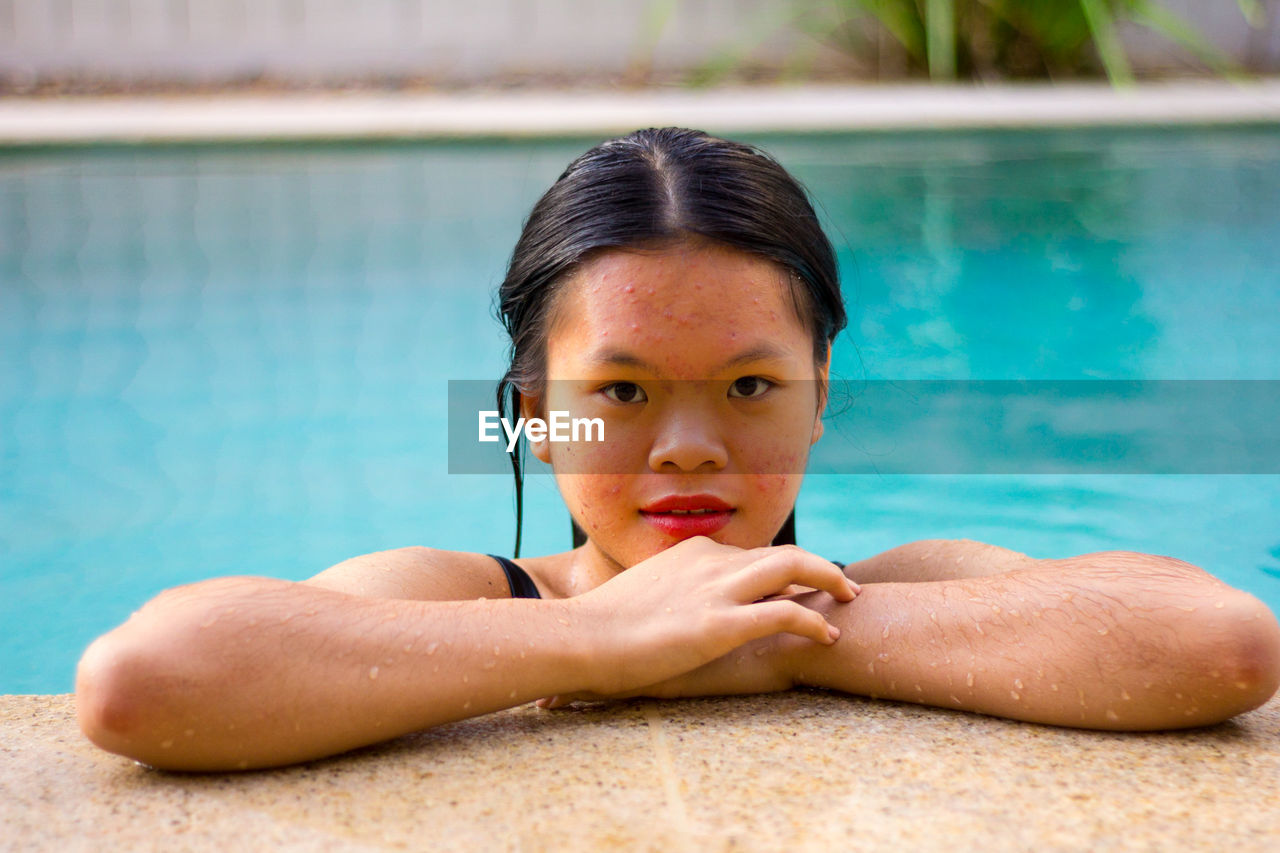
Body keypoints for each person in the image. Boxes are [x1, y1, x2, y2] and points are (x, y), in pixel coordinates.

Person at [76, 127, 1280, 772]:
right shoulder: (465, 597)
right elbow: (148, 678)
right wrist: (602, 636)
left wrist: (764, 640)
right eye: (623, 390)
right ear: (534, 413)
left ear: (817, 401)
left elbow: (1217, 642)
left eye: (751, 384)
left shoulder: (896, 592)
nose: (689, 447)